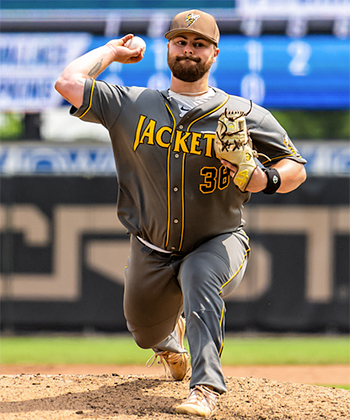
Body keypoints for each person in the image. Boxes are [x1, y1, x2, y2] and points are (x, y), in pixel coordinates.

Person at [55, 9, 307, 418]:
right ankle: (170, 339)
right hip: (150, 247)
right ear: (169, 48)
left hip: (219, 238)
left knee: (199, 276)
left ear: (214, 53)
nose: (189, 50)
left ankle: (206, 386)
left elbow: (296, 167)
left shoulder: (243, 113)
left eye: (199, 44)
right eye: (181, 42)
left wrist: (266, 179)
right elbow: (67, 82)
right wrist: (110, 52)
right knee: (144, 332)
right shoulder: (131, 104)